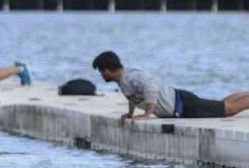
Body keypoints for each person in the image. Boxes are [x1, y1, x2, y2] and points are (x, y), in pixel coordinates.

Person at [92, 51, 249, 120]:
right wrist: (131, 114)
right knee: (223, 105)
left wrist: (147, 115)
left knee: (227, 110)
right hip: (181, 101)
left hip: (183, 105)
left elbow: (151, 87)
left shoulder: (131, 76)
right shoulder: (124, 80)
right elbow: (133, 96)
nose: (101, 75)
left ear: (107, 69)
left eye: (101, 71)